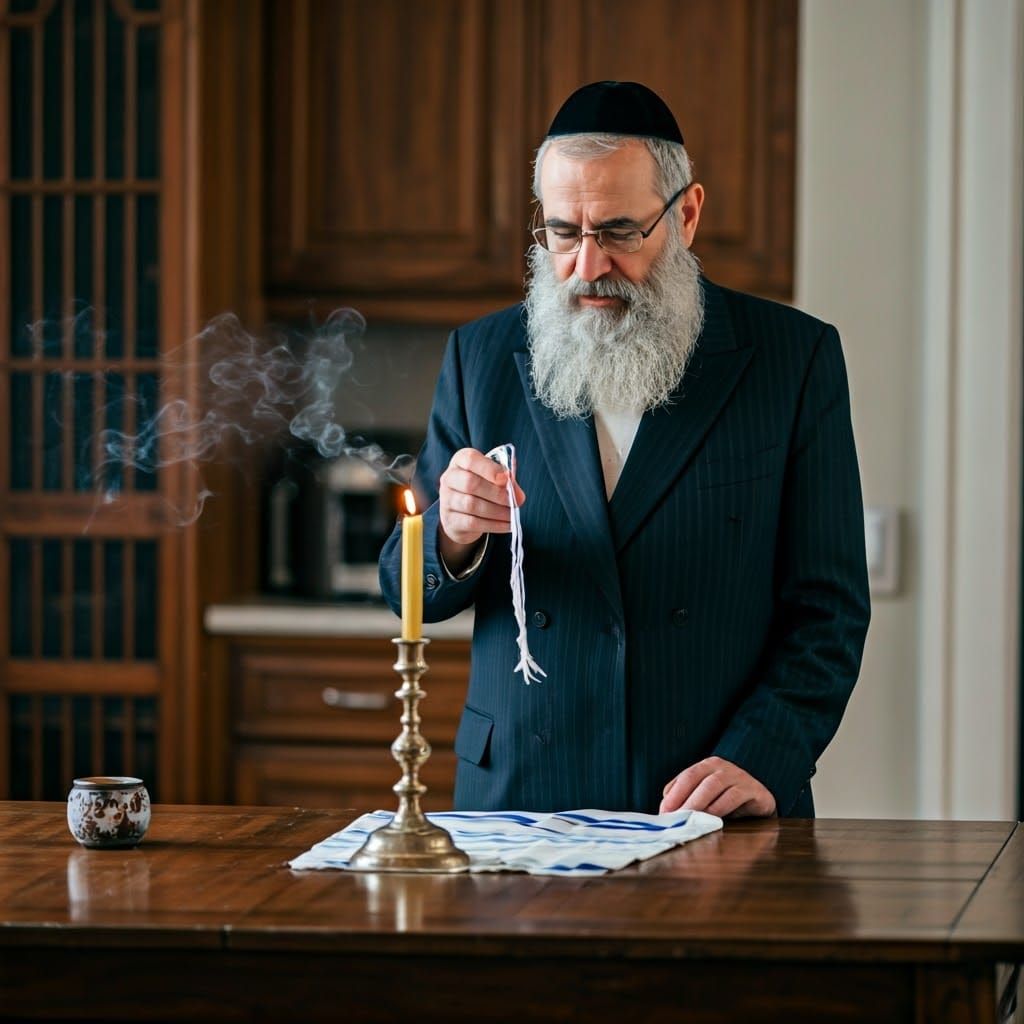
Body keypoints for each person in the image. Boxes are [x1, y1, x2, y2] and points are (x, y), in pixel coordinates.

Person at [379, 81, 870, 818]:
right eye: (564, 233)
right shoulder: (481, 356)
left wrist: (764, 752)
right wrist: (450, 536)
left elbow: (827, 609)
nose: (587, 265)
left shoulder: (793, 359)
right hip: (520, 798)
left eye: (617, 231)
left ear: (687, 215)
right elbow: (405, 590)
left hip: (706, 797)